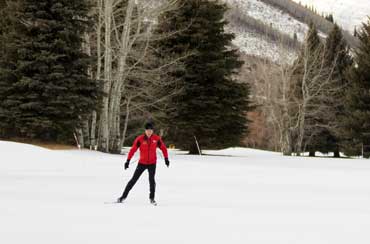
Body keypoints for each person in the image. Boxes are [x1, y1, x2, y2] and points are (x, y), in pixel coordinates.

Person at [117, 122, 170, 205]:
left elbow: (163, 148)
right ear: (145, 131)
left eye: (151, 130)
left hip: (152, 163)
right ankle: (123, 197)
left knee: (152, 181)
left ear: (152, 131)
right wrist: (128, 161)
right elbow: (133, 150)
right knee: (133, 180)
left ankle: (152, 198)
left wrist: (166, 159)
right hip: (142, 163)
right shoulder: (140, 139)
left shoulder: (156, 139)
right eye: (148, 130)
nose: (149, 132)